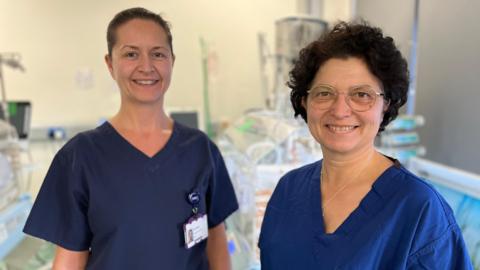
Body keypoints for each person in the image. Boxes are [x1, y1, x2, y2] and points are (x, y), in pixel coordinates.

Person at [23, 7, 238, 270]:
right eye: (131, 54)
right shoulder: (80, 156)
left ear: (172, 61)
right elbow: (70, 258)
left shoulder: (200, 150)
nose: (146, 66)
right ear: (110, 64)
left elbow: (216, 240)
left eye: (158, 54)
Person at [259, 21, 473, 269]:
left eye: (361, 94)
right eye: (325, 93)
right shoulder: (288, 189)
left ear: (386, 106)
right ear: (305, 102)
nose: (340, 111)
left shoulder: (419, 209)